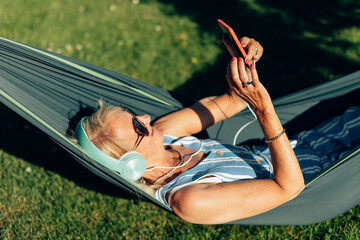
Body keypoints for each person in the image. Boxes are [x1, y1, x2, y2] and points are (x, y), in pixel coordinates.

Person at [75, 36, 360, 224]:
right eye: (138, 126)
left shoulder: (166, 133)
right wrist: (264, 111)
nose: (147, 116)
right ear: (131, 163)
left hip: (306, 143)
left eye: (133, 114)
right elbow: (289, 188)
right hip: (320, 182)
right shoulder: (189, 199)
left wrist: (244, 60)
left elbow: (232, 101)